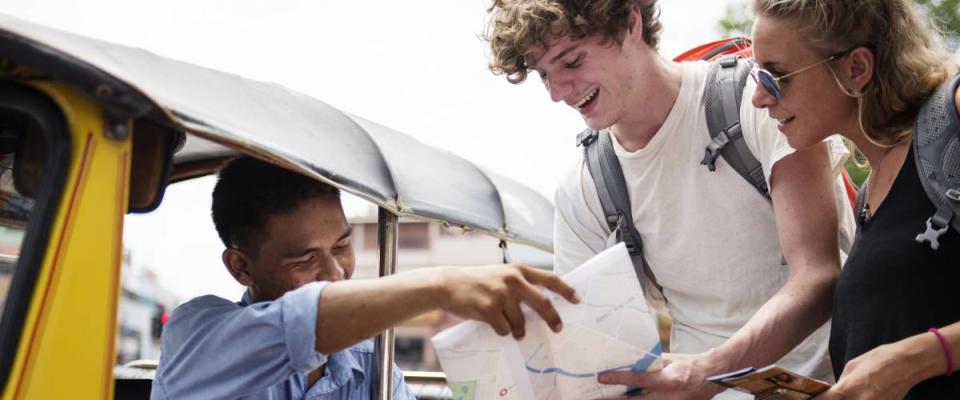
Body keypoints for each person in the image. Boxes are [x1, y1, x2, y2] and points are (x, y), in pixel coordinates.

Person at [484, 1, 856, 398]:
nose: (558, 93)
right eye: (544, 76)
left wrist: (708, 373)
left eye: (572, 62)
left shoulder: (759, 98)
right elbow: (590, 350)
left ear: (630, 21)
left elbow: (818, 277)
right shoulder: (585, 186)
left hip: (827, 385)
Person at [150, 156, 580, 400]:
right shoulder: (196, 339)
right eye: (304, 259)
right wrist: (442, 285)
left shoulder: (368, 362)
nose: (336, 273)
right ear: (240, 267)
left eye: (341, 246)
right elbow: (300, 321)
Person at [749, 0, 960, 398]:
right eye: (755, 74)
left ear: (856, 69)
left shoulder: (952, 123)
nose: (759, 97)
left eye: (776, 76)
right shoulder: (870, 195)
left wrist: (921, 357)